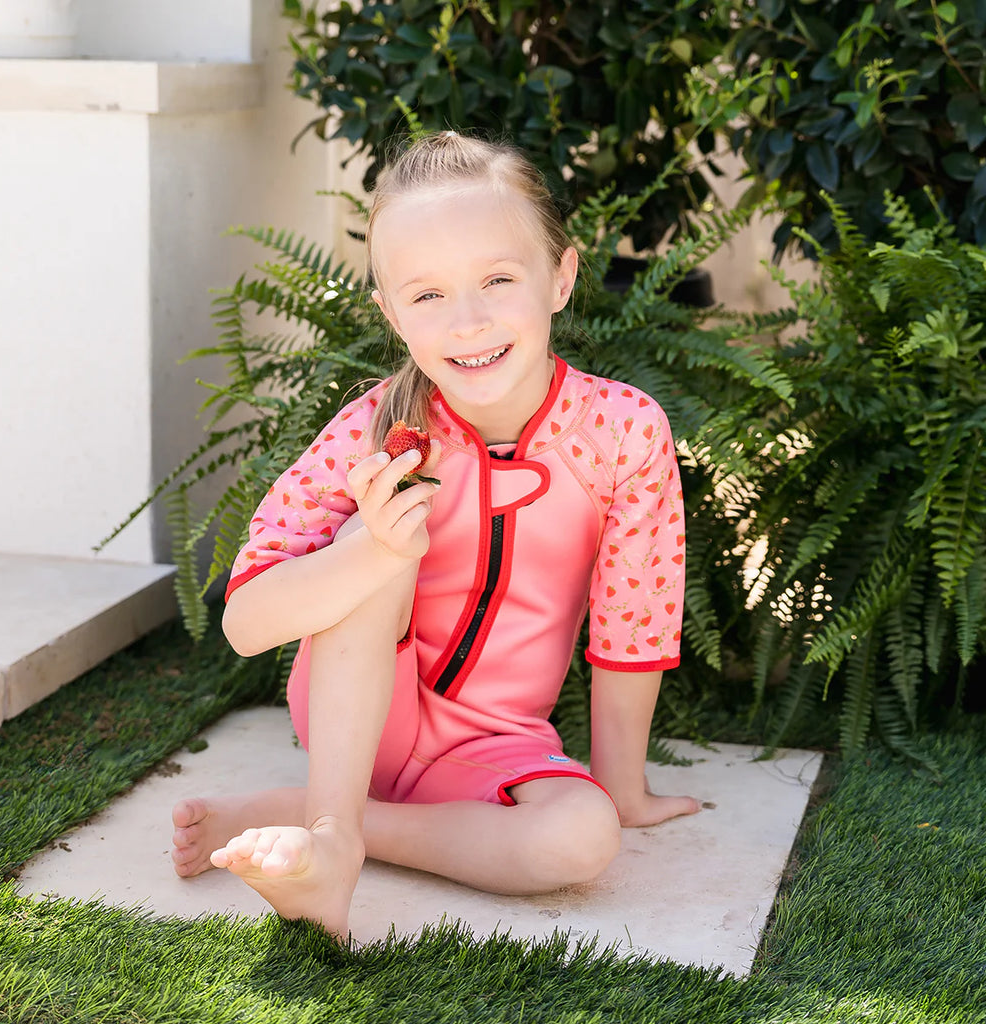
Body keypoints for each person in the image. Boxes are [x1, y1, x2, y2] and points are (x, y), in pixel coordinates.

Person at [170, 130, 700, 941]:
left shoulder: (623, 430)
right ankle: (333, 836)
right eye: (428, 296)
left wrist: (621, 789)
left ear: (560, 278)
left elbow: (635, 620)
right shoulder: (375, 429)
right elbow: (245, 623)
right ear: (390, 313)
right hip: (362, 720)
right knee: (376, 535)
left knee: (585, 837)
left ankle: (328, 822)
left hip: (496, 748)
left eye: (498, 279)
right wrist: (370, 553)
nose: (469, 321)